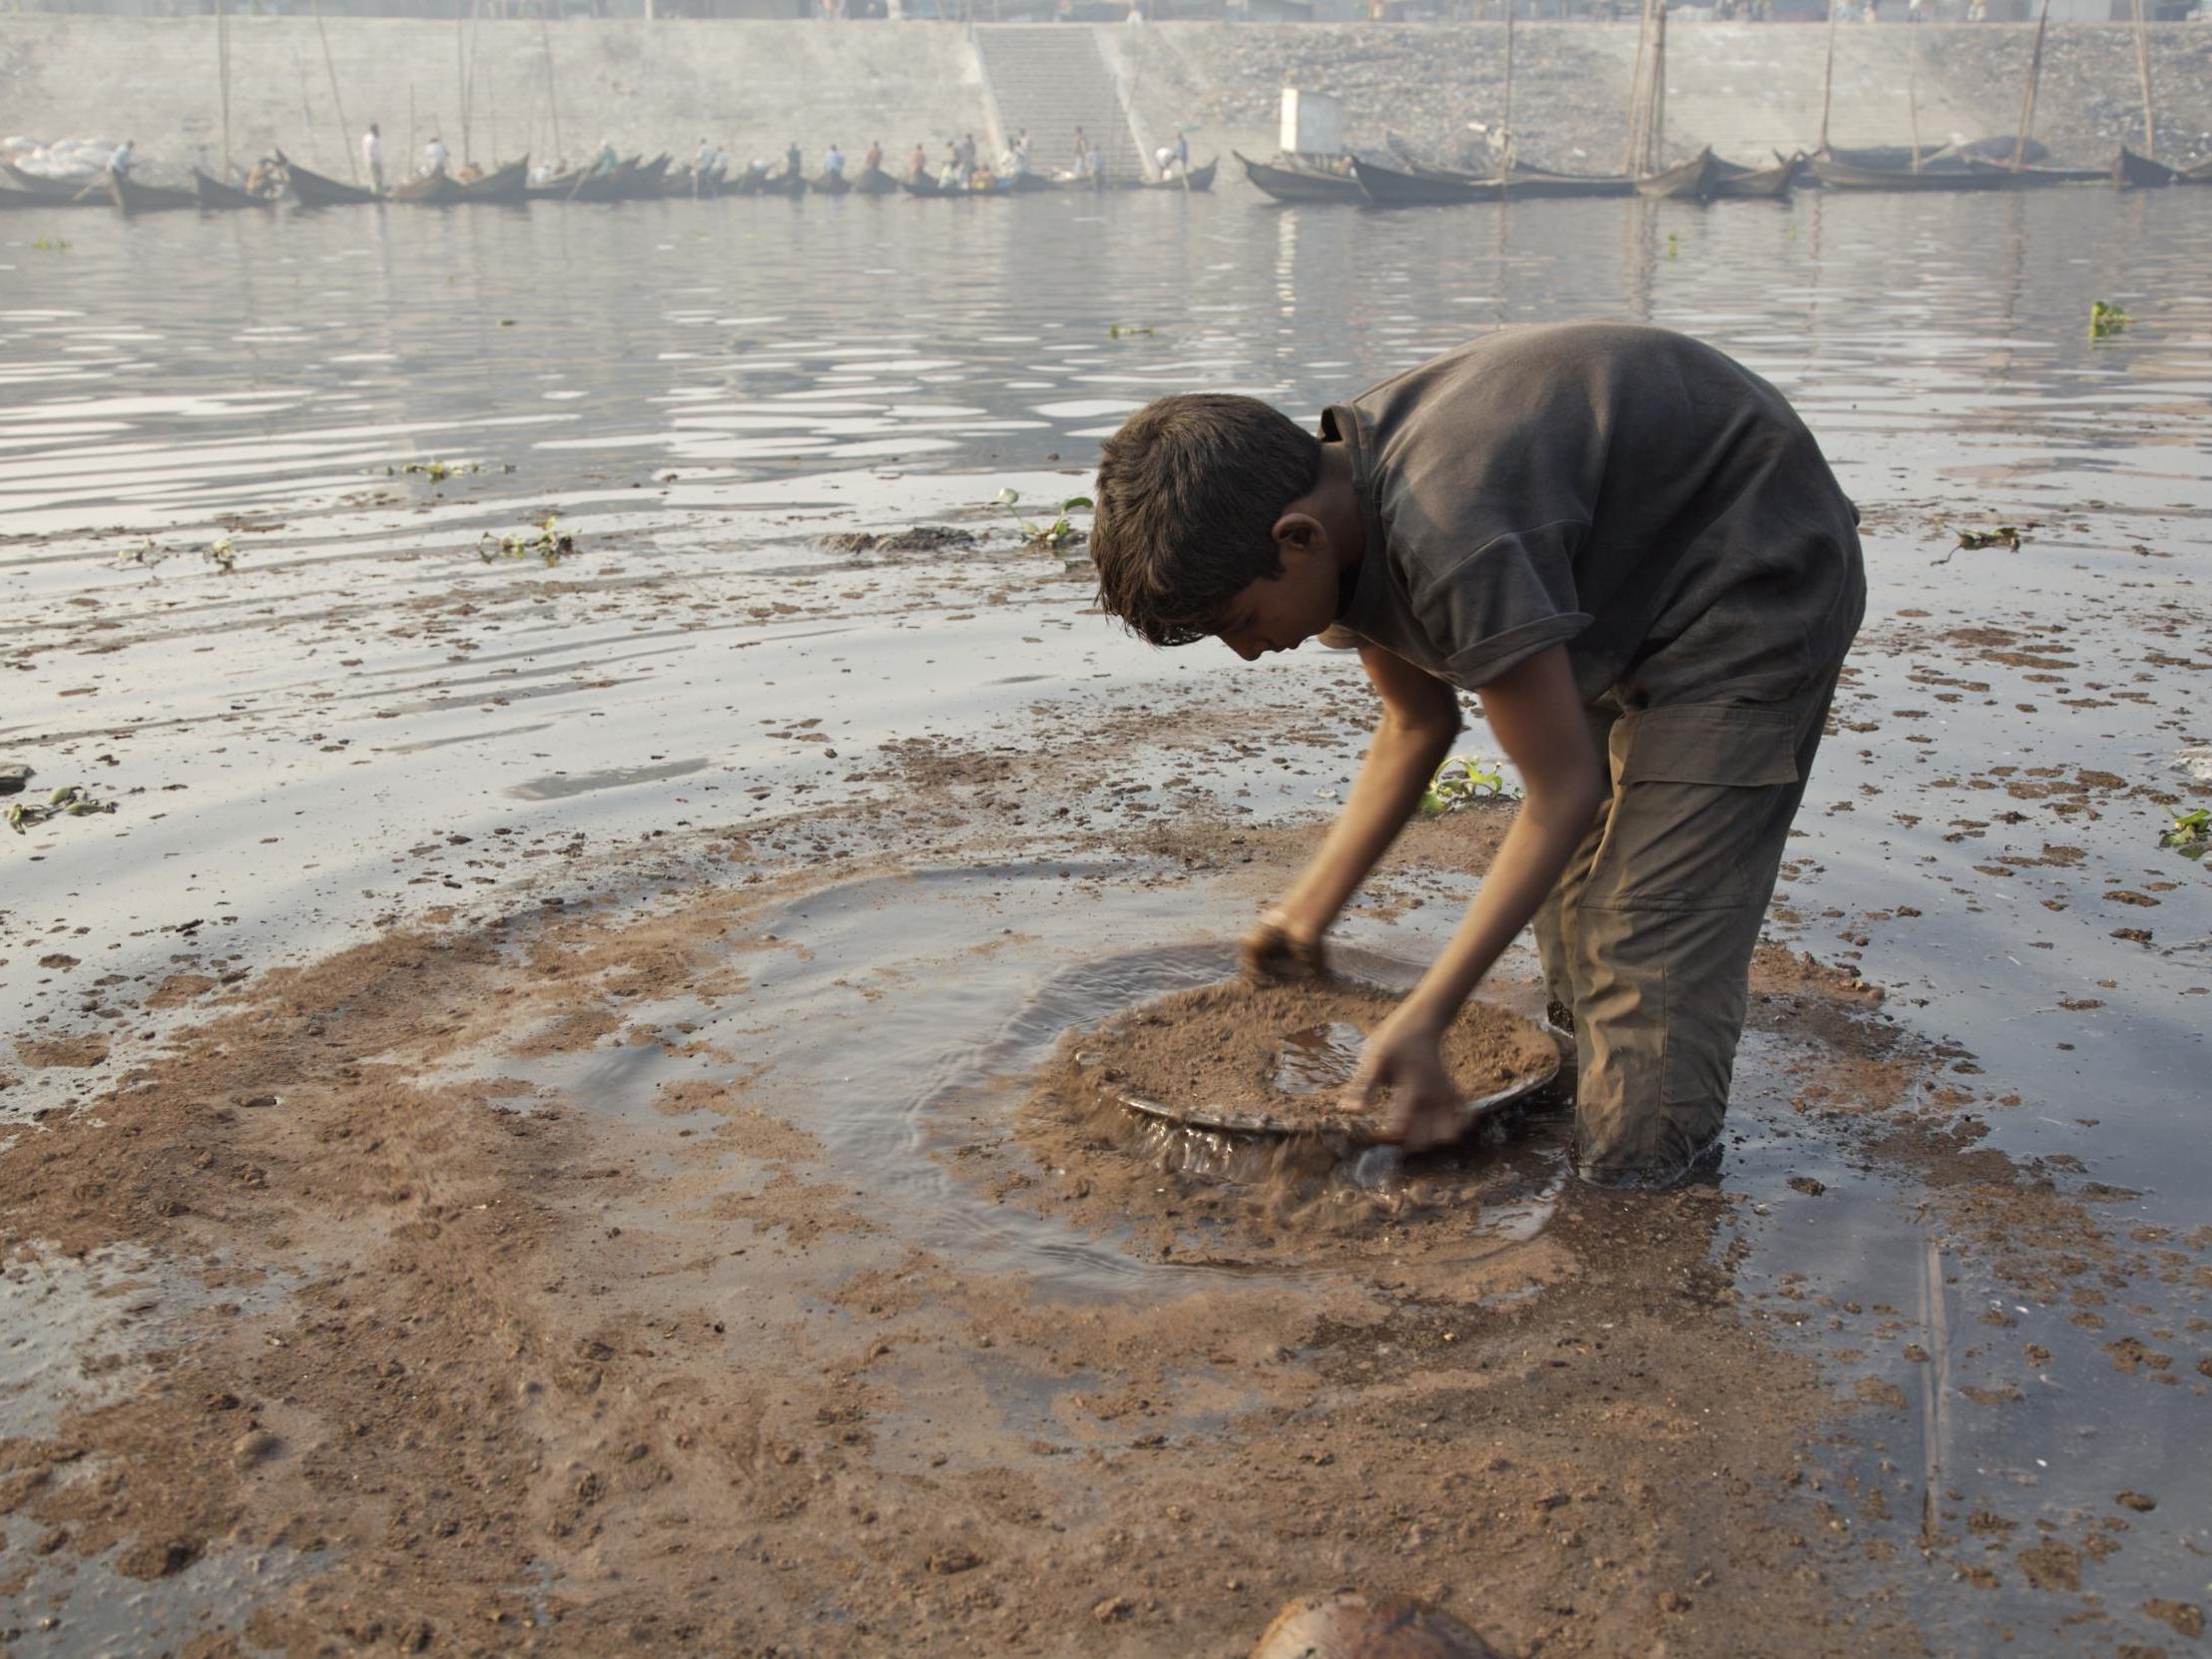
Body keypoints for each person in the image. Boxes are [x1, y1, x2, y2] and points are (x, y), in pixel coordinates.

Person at [1085, 323, 1866, 1187]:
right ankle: (1594, 1097)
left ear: (1295, 538)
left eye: (1237, 621)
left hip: (1751, 573)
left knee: (1644, 930)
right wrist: (1305, 913)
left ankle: (1640, 1197)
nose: (1244, 652)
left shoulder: (1451, 528)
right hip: (1612, 580)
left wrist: (1426, 1014)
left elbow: (1560, 789)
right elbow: (1417, 727)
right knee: (1568, 898)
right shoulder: (1340, 514)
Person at [361, 123, 384, 194]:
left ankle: (378, 191)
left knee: (377, 178)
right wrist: (375, 161)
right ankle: (376, 193)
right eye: (377, 129)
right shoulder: (372, 139)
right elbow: (371, 151)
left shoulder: (368, 137)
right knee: (376, 178)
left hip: (374, 160)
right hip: (374, 161)